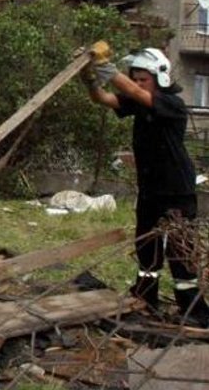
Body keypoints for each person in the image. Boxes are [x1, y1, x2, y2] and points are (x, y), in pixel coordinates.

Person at [83, 42, 209, 327]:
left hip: (177, 191)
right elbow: (103, 99)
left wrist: (107, 68)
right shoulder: (137, 103)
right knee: (147, 249)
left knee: (181, 253)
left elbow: (134, 92)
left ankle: (193, 311)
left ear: (159, 78)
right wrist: (90, 79)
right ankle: (145, 297)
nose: (138, 84)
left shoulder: (171, 103)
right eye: (135, 78)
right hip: (151, 190)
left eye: (144, 79)